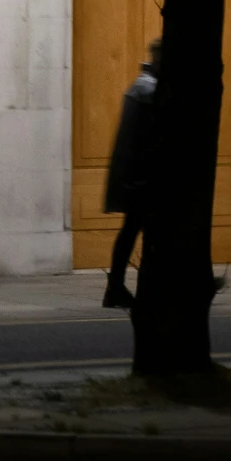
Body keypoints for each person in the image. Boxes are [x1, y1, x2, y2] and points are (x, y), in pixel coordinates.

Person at [101, 38, 160, 311]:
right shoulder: (150, 90)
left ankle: (117, 286)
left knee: (132, 231)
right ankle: (127, 287)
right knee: (144, 232)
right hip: (144, 179)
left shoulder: (142, 87)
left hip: (136, 176)